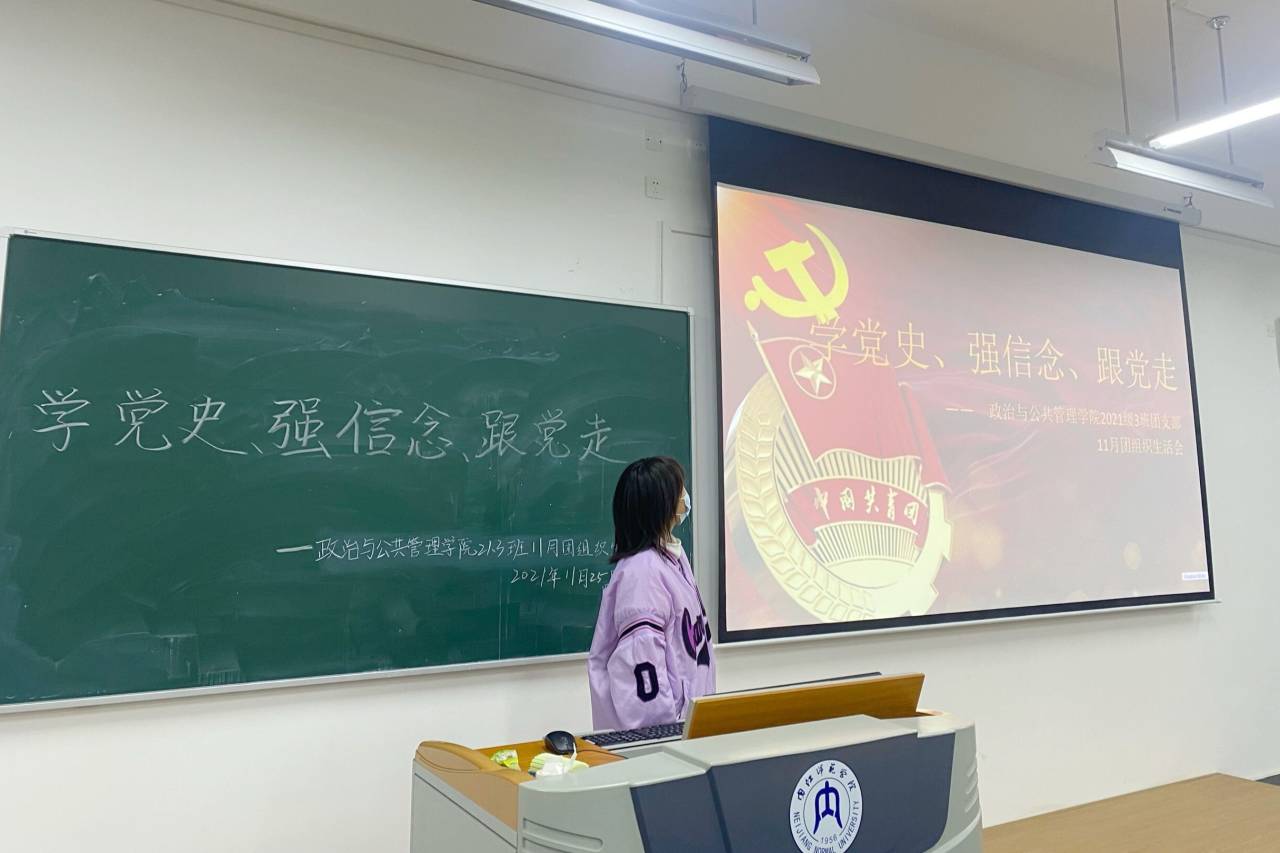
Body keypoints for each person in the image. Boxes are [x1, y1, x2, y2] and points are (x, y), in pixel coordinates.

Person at [588, 456, 715, 730]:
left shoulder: (673, 559)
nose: (685, 497)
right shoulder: (642, 573)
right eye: (680, 490)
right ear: (662, 504)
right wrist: (664, 735)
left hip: (689, 729)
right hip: (664, 736)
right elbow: (644, 668)